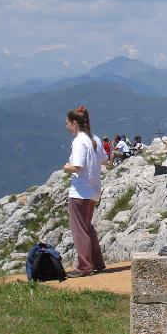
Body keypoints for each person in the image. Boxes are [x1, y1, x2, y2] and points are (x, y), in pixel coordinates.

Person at [63, 105, 107, 277]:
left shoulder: (79, 141)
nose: (67, 127)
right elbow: (104, 161)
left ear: (75, 123)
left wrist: (66, 167)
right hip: (94, 190)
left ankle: (84, 266)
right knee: (87, 227)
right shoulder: (95, 138)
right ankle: (97, 262)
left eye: (68, 123)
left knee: (79, 229)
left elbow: (77, 166)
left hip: (80, 191)